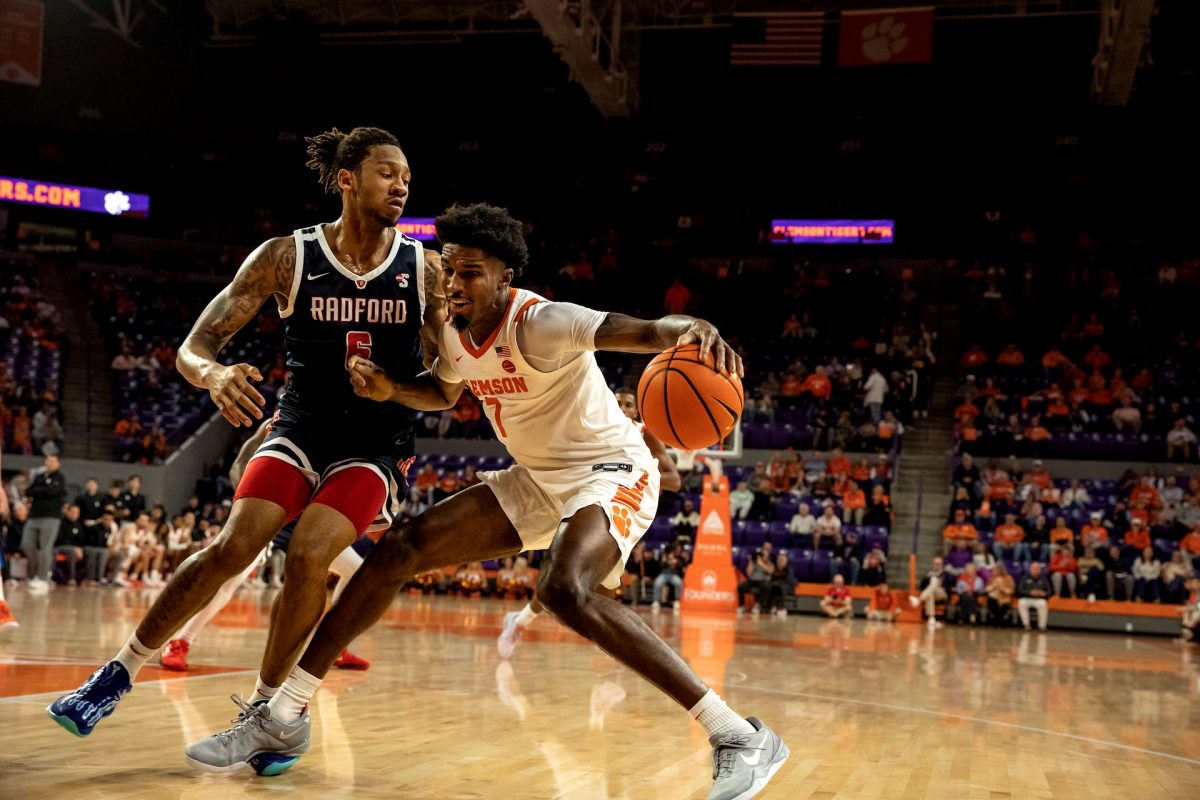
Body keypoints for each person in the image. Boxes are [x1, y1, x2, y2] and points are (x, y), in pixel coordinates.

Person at [183, 203, 787, 797]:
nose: (452, 283)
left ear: (506, 278)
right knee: (399, 549)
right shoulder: (451, 329)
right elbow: (444, 393)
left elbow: (644, 330)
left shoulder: (543, 322)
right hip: (538, 479)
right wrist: (393, 388)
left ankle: (736, 736)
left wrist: (692, 328)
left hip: (612, 470)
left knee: (561, 589)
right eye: (448, 270)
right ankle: (282, 717)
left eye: (470, 272)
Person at [49, 126, 444, 740]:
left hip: (374, 445)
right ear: (347, 179)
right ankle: (118, 672)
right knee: (234, 547)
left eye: (407, 178)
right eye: (388, 172)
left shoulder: (426, 270)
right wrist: (215, 375)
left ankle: (266, 709)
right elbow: (194, 347)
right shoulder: (286, 257)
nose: (402, 186)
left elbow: (445, 391)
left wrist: (393, 388)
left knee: (311, 554)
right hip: (299, 428)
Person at [159, 422, 370, 673]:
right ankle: (180, 641)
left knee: (358, 572)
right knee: (232, 578)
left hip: (309, 518)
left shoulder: (345, 426)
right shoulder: (282, 418)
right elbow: (239, 464)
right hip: (272, 511)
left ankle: (333, 648)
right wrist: (252, 504)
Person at [495, 386, 681, 657]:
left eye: (628, 404)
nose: (622, 407)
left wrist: (635, 473)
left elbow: (674, 480)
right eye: (617, 401)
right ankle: (521, 622)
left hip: (625, 503)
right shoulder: (593, 422)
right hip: (584, 496)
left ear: (636, 411)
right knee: (566, 573)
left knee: (600, 583)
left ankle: (520, 620)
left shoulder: (644, 434)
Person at [22, 453, 67, 591]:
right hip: (34, 515)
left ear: (58, 464)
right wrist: (40, 489)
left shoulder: (60, 477)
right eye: (48, 460)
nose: (50, 463)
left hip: (51, 517)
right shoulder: (39, 477)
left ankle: (43, 577)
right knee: (27, 544)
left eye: (53, 461)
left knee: (45, 548)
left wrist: (38, 490)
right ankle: (33, 572)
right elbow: (28, 491)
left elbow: (52, 491)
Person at [1018, 562, 1052, 631]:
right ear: (1030, 569)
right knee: (1021, 603)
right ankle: (1026, 625)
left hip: (1039, 599)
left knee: (1043, 604)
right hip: (1027, 598)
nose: (1035, 570)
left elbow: (1049, 591)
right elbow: (1020, 590)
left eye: (1037, 569)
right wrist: (1030, 592)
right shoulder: (1025, 577)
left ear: (1040, 570)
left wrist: (1043, 594)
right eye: (1033, 568)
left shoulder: (1043, 579)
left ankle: (1042, 626)